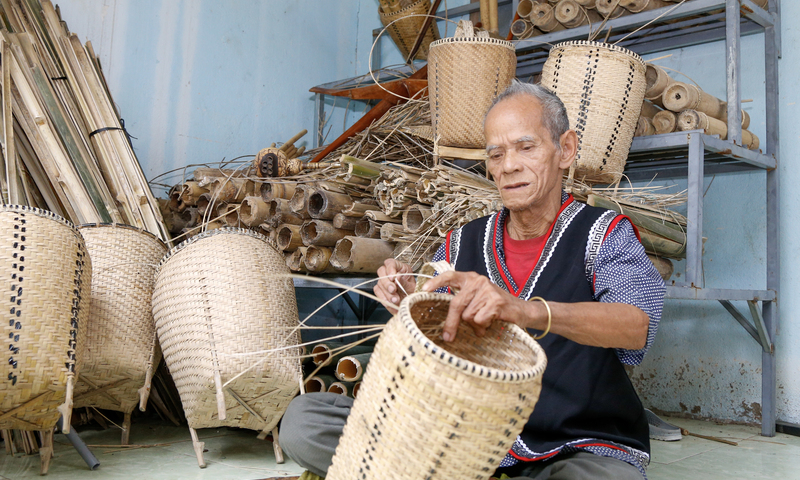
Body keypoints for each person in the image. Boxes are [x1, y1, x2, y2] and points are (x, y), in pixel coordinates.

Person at [280, 80, 665, 480]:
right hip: (460, 438)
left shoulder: (603, 234)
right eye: (496, 154)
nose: (508, 166)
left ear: (565, 149)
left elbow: (635, 326)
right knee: (305, 421)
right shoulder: (462, 242)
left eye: (526, 147)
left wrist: (527, 311)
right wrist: (409, 302)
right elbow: (438, 329)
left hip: (571, 443)